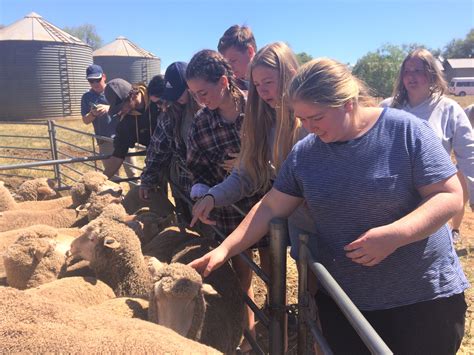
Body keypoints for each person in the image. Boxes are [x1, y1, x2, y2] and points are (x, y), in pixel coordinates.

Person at [190, 58, 469, 354]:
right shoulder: (306, 153)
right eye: (302, 119)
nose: (308, 127)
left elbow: (449, 195)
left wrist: (396, 235)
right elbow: (270, 206)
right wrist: (225, 249)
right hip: (347, 303)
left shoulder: (406, 132)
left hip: (422, 300)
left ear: (347, 103)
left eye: (316, 118)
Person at [191, 41, 315, 261]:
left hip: (328, 221)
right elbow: (247, 171)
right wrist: (213, 195)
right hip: (301, 224)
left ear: (291, 75)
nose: (262, 90)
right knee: (311, 285)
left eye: (268, 82)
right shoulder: (264, 121)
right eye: (257, 84)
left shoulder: (312, 122)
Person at [185, 49, 263, 347]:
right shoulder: (202, 123)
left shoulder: (258, 109)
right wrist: (202, 192)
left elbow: (278, 150)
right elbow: (197, 167)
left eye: (203, 92)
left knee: (273, 265)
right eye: (193, 94)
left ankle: (277, 322)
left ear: (223, 81)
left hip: (267, 202)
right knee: (242, 273)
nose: (199, 100)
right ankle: (249, 336)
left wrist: (251, 161)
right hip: (228, 207)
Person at [381, 48, 474, 243]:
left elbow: (469, 155)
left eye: (418, 71)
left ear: (432, 74)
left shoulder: (449, 110)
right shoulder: (387, 108)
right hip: (391, 198)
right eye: (407, 71)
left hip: (432, 197)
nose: (411, 77)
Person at [140, 62, 201, 225]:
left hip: (212, 186)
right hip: (184, 182)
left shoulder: (207, 108)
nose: (162, 106)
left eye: (161, 101)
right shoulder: (170, 115)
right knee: (191, 225)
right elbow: (158, 148)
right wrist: (147, 179)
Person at [80, 64, 137, 178]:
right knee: (112, 176)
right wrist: (93, 114)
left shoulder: (115, 90)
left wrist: (108, 108)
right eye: (91, 81)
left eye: (97, 80)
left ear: (104, 77)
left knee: (133, 173)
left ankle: (135, 196)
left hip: (124, 136)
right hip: (105, 141)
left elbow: (129, 107)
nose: (95, 83)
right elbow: (85, 120)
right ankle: (115, 196)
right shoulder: (86, 97)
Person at [102, 78, 160, 179]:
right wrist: (99, 180)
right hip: (155, 160)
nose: (120, 111)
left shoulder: (156, 97)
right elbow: (117, 156)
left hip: (177, 153)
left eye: (121, 107)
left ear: (132, 95)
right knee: (155, 191)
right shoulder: (126, 122)